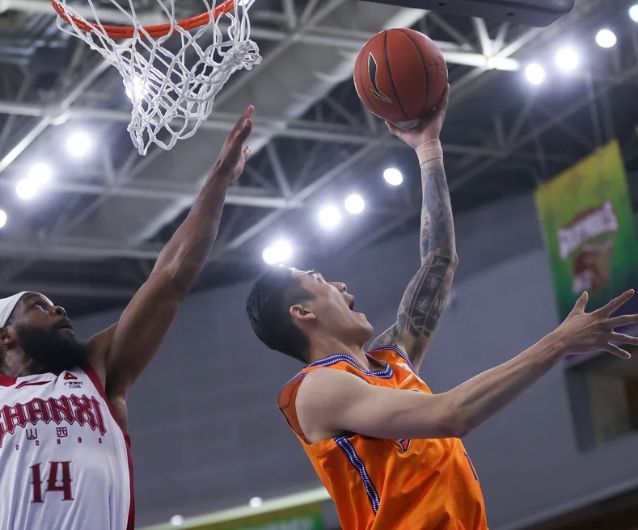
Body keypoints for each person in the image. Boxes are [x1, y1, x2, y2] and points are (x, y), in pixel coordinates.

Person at [245, 88, 638, 530]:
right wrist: (558, 343)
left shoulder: (390, 360)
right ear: (303, 313)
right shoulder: (316, 389)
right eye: (320, 280)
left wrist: (428, 148)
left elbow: (439, 260)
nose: (340, 285)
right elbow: (451, 415)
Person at [0, 107, 254, 530]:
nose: (58, 310)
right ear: (5, 336)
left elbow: (170, 278)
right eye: (38, 306)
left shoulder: (96, 370)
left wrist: (219, 180)